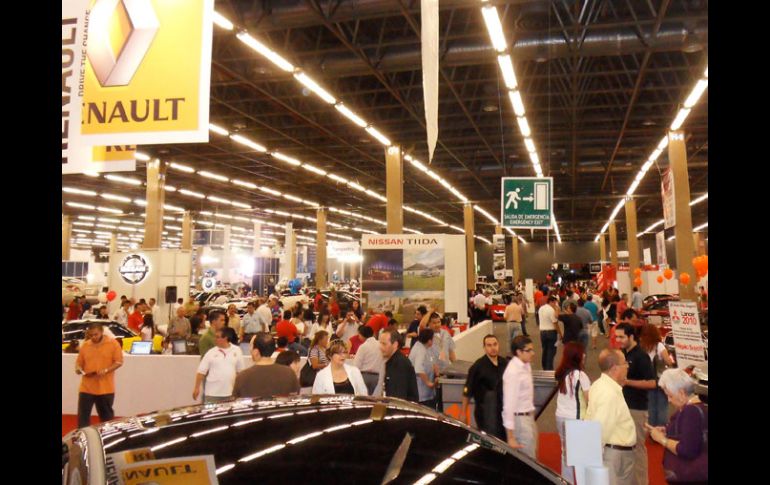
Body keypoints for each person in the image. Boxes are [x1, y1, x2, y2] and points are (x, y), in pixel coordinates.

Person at [645, 369, 708, 484]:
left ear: (681, 393)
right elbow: (689, 434)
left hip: (690, 477)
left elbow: (687, 450)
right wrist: (667, 431)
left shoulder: (691, 411)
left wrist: (662, 439)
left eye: (670, 395)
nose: (669, 400)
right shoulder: (693, 408)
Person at [586, 349, 636, 485]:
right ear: (615, 368)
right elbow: (601, 429)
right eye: (625, 363)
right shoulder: (609, 393)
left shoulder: (599, 385)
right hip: (616, 456)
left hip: (613, 454)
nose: (627, 366)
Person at [615, 322, 657, 485]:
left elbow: (652, 383)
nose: (618, 340)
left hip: (637, 409)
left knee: (637, 448)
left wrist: (627, 382)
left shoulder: (641, 356)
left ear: (631, 336)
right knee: (624, 447)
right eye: (617, 337)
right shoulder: (623, 354)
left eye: (621, 337)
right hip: (623, 407)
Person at [555, 343, 592, 484]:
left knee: (565, 454)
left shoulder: (561, 373)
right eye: (582, 353)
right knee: (580, 456)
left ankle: (566, 481)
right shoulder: (580, 376)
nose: (584, 355)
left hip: (560, 416)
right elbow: (589, 400)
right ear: (577, 356)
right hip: (576, 418)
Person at [75, 322, 124, 428]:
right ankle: (83, 436)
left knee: (106, 419)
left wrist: (106, 370)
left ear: (102, 332)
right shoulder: (85, 345)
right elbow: (79, 363)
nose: (93, 337)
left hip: (105, 388)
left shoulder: (113, 344)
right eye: (91, 335)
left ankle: (108, 437)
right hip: (86, 387)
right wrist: (78, 369)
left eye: (95, 334)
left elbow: (119, 362)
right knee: (83, 418)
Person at [462, 335, 509, 440]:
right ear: (484, 348)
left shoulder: (505, 363)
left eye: (495, 344)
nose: (493, 348)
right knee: (490, 441)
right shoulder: (477, 367)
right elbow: (467, 391)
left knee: (504, 441)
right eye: (489, 345)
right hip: (485, 413)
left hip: (503, 411)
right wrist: (463, 413)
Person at [501, 335, 538, 459]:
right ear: (518, 352)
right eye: (528, 350)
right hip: (520, 421)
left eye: (532, 349)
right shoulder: (513, 372)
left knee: (532, 455)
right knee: (528, 460)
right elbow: (508, 405)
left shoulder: (526, 366)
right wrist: (510, 437)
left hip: (528, 417)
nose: (532, 353)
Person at [233, 332, 299, 398]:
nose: (250, 350)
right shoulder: (289, 373)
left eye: (251, 346)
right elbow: (296, 397)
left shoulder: (242, 376)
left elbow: (235, 400)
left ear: (256, 352)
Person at [192, 328, 244, 403]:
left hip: (230, 393)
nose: (215, 339)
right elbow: (201, 371)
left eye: (217, 337)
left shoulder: (237, 350)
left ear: (225, 338)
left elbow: (240, 371)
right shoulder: (211, 352)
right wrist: (196, 388)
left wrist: (239, 389)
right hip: (212, 393)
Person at [639, 324, 676, 427]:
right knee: (662, 406)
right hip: (660, 380)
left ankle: (652, 429)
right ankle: (661, 428)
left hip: (647, 381)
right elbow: (668, 362)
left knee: (651, 406)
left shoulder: (641, 346)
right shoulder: (659, 346)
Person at [376, 328, 418, 401]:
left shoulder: (399, 364)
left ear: (395, 344)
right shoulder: (392, 361)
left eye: (384, 344)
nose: (380, 347)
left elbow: (397, 398)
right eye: (380, 343)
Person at [409, 329, 439, 408]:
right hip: (422, 395)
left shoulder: (425, 347)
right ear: (429, 341)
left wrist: (437, 373)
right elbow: (418, 369)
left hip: (427, 393)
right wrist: (429, 383)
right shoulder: (420, 350)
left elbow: (432, 362)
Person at [353, 325, 383, 395]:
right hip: (378, 377)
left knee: (364, 399)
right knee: (375, 400)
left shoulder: (363, 347)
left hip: (364, 377)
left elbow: (356, 365)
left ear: (362, 335)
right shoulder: (380, 345)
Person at [538, 296, 562, 370]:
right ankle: (549, 369)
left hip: (542, 332)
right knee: (551, 352)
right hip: (551, 332)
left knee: (545, 350)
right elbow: (555, 323)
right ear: (551, 302)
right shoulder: (551, 310)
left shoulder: (541, 308)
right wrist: (560, 333)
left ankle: (544, 367)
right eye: (555, 303)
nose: (555, 304)